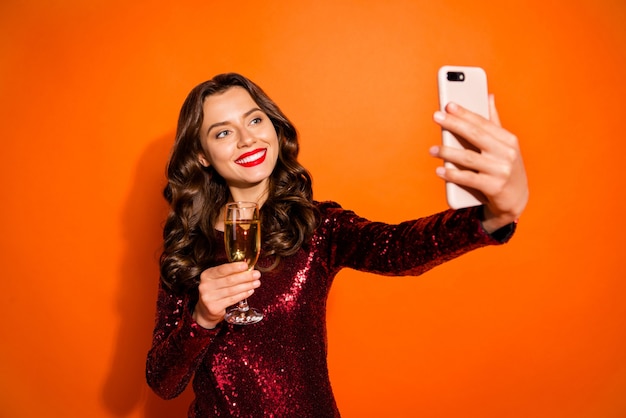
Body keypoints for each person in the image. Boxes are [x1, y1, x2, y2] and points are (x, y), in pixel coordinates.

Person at [145, 73, 528, 417]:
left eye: (255, 119)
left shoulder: (317, 226)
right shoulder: (187, 248)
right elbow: (163, 384)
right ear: (201, 155)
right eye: (223, 132)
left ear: (274, 128)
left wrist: (492, 216)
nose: (247, 139)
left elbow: (397, 248)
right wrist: (202, 319)